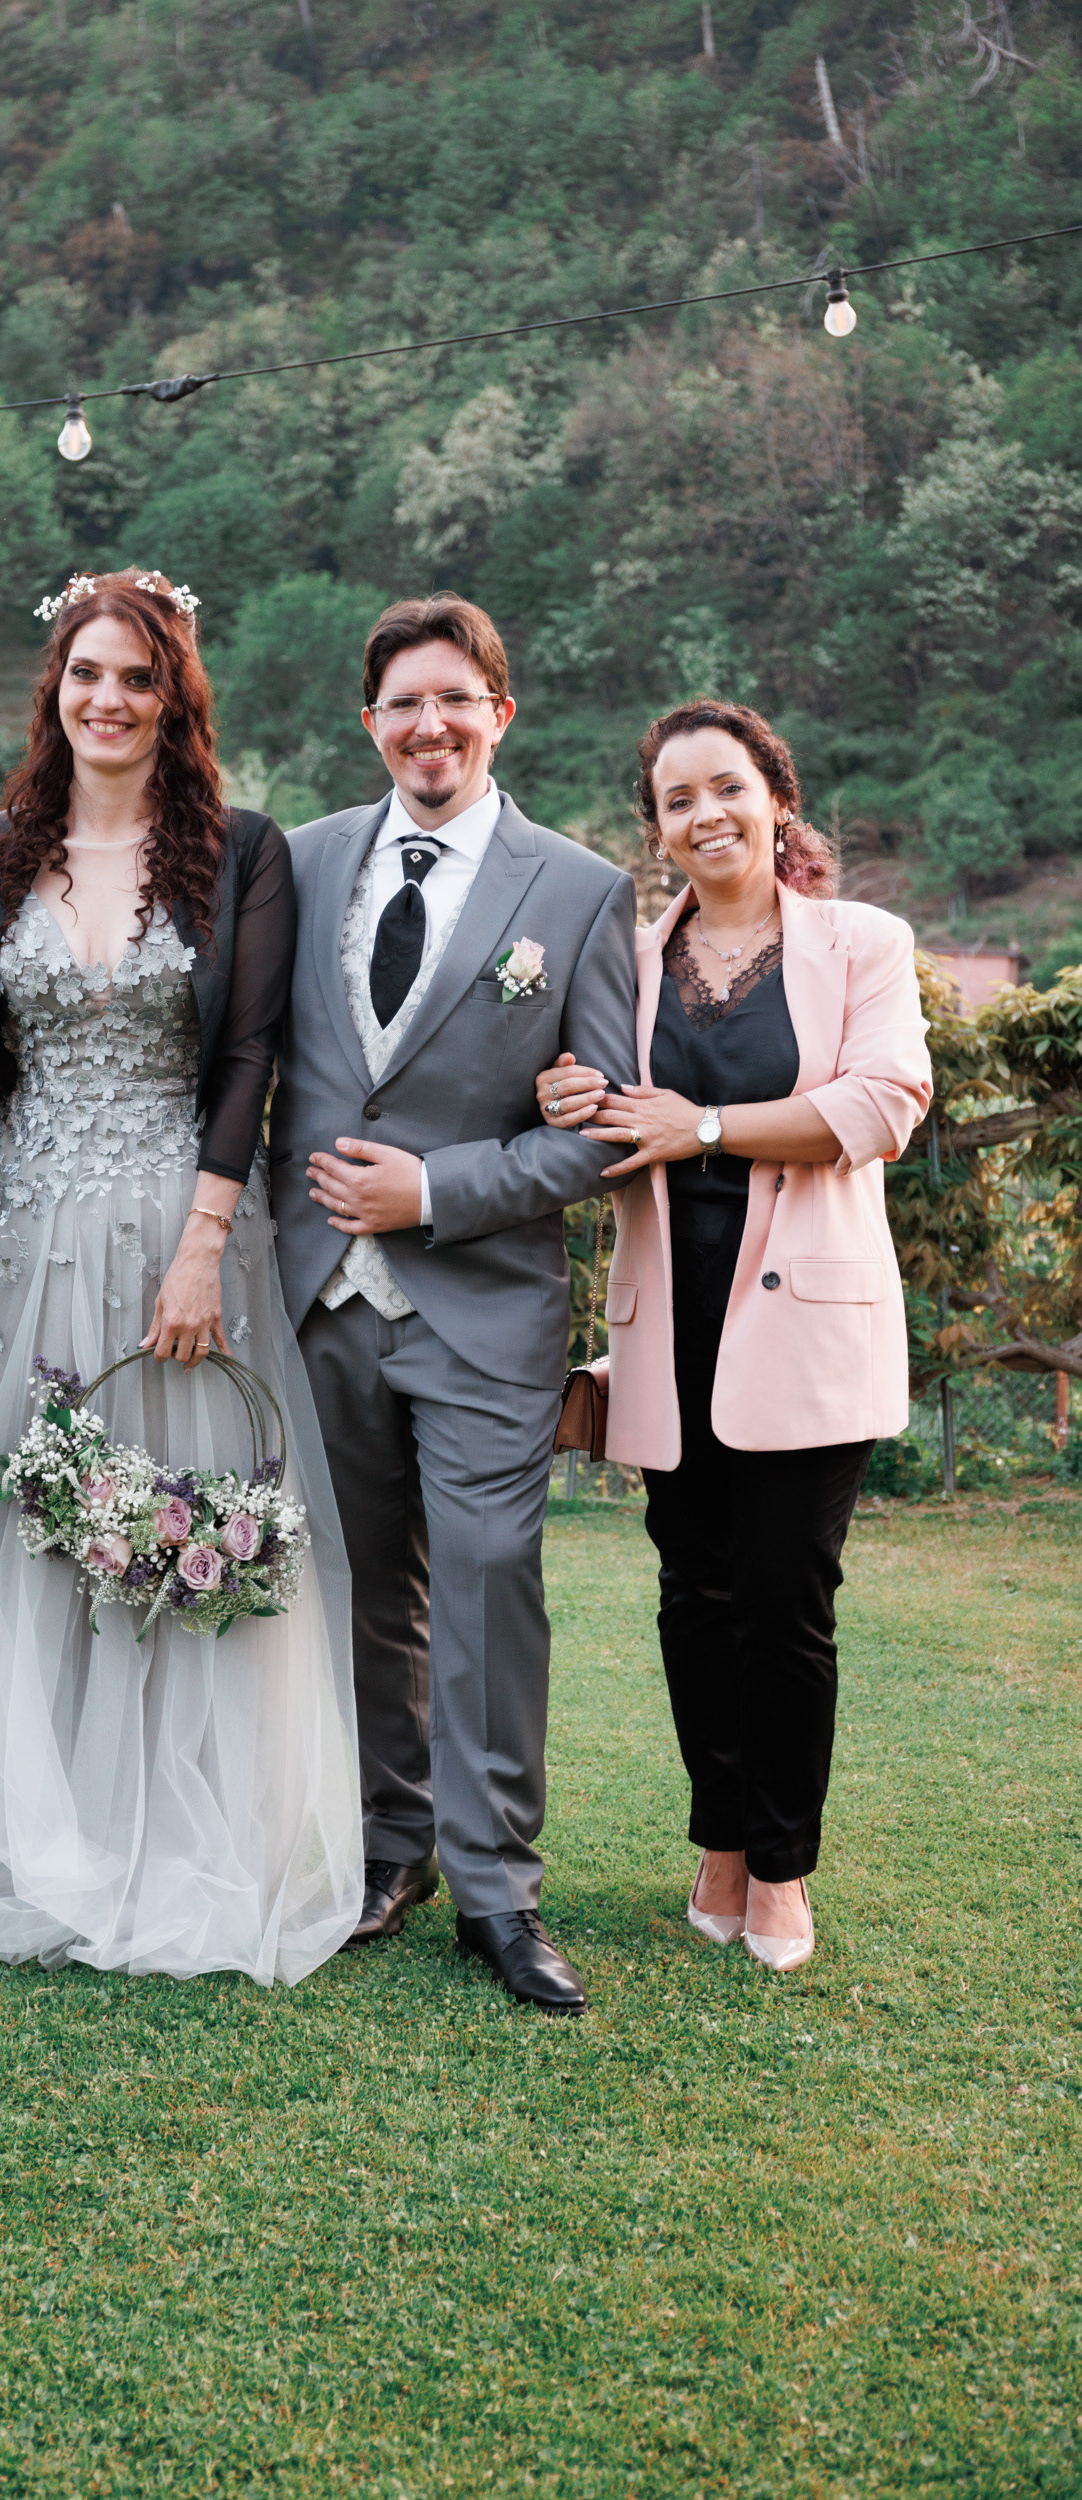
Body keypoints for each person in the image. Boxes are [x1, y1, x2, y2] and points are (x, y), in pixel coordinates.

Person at [0, 570, 361, 1985]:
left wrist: (202, 1244)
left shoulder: (240, 855)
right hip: (18, 1223)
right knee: (24, 1511)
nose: (108, 700)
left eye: (137, 677)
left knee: (165, 1499)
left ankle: (168, 1835)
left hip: (176, 1224)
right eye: (86, 674)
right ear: (53, 690)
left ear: (173, 697)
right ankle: (19, 1824)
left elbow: (247, 1053)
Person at [270, 595, 640, 2016]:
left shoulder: (577, 891)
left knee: (487, 1581)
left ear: (498, 713)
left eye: (453, 700)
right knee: (362, 1591)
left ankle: (498, 1895)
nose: (428, 727)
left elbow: (596, 1135)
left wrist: (429, 1189)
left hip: (481, 1306)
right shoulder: (298, 861)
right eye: (401, 705)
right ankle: (391, 1847)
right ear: (369, 723)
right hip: (318, 1299)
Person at [538, 699, 931, 1973]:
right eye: (676, 800)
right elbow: (598, 1116)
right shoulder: (623, 957)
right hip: (669, 1325)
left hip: (807, 1327)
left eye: (724, 787)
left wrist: (701, 1127)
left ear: (774, 794)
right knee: (692, 1598)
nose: (703, 814)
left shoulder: (861, 943)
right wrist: (568, 1098)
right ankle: (716, 1839)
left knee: (783, 1603)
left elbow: (881, 1104)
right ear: (654, 829)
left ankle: (780, 1863)